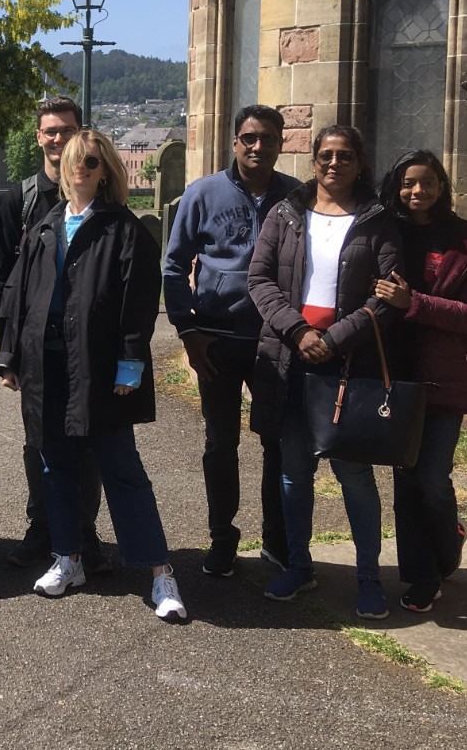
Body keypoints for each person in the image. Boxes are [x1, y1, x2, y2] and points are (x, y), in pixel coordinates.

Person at [0, 130, 187, 620]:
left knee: (121, 467)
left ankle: (159, 571)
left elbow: (139, 306)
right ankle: (68, 557)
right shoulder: (43, 227)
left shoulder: (123, 230)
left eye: (92, 161)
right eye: (73, 160)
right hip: (46, 364)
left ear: (107, 171)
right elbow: (18, 295)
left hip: (100, 368)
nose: (80, 167)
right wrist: (10, 356)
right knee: (54, 464)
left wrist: (129, 366)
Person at [248, 124, 401, 620]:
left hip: (348, 363)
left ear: (361, 163)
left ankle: (368, 578)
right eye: (326, 156)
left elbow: (387, 296)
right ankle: (298, 565)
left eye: (346, 157)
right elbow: (260, 279)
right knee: (294, 474)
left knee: (354, 475)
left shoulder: (377, 221)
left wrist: (334, 338)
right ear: (313, 161)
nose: (335, 164)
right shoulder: (285, 213)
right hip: (290, 361)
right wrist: (298, 332)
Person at [163, 104, 299, 578]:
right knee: (220, 443)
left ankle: (276, 540)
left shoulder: (298, 198)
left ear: (282, 142)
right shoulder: (203, 194)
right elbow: (174, 267)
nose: (258, 146)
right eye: (249, 138)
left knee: (277, 442)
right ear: (235, 142)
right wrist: (188, 330)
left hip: (278, 339)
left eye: (268, 138)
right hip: (218, 338)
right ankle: (223, 538)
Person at [374, 150, 467, 614]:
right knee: (405, 478)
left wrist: (415, 303)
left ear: (442, 186)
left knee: (430, 476)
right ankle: (422, 577)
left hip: (444, 379)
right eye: (408, 183)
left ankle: (447, 547)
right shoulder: (385, 231)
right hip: (395, 373)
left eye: (427, 182)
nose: (417, 192)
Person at [0, 96, 108, 570]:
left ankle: (84, 532)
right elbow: (6, 282)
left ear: (82, 132)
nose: (58, 138)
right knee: (38, 441)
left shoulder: (101, 198)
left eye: (67, 129)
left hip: (87, 348)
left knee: (87, 444)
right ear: (38, 136)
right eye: (50, 131)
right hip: (38, 349)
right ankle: (41, 527)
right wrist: (9, 353)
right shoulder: (18, 201)